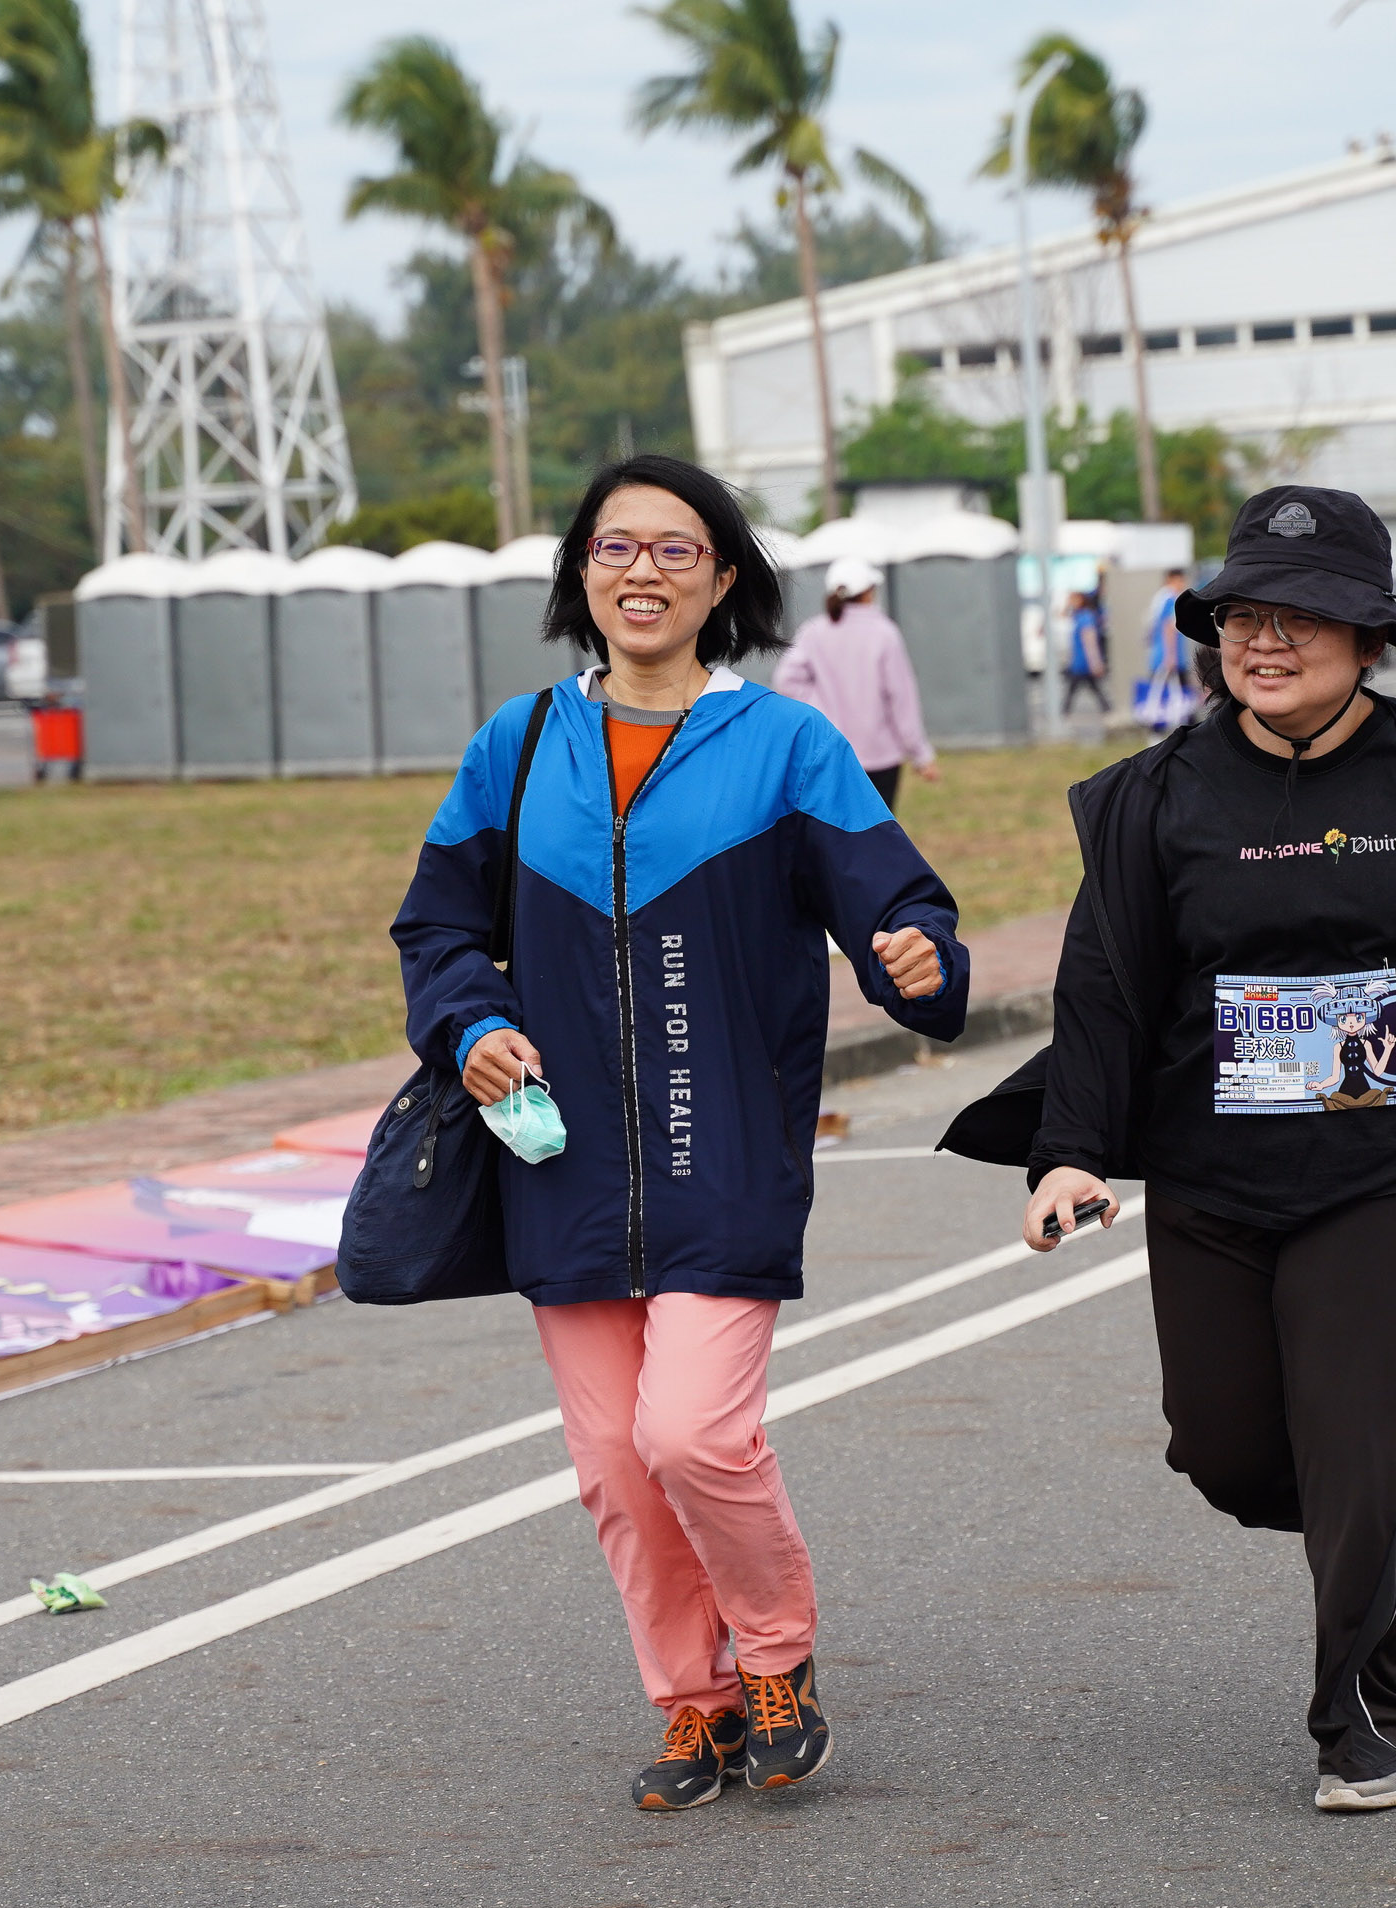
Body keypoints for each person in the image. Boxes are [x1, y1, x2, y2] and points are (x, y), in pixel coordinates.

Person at [989, 484, 1396, 1816]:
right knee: (1225, 1448)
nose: (1265, 641)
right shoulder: (1154, 796)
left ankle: (1365, 1712)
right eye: (1244, 615)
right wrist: (1069, 1154)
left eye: (1301, 617)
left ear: (1369, 635)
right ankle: (1381, 1492)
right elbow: (1102, 987)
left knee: (1355, 1439)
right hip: (1214, 1175)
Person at [391, 452, 969, 1813]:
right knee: (613, 1465)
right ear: (580, 575)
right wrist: (471, 1026)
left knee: (694, 1437)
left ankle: (773, 1657)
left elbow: (898, 899)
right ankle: (693, 1704)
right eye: (614, 546)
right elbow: (438, 929)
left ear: (723, 583)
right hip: (560, 1163)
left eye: (675, 549)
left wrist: (917, 956)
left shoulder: (786, 745)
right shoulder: (516, 745)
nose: (641, 570)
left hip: (728, 1152)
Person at [770, 554, 938, 809]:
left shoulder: (813, 631)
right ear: (869, 592)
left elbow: (785, 681)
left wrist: (820, 707)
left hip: (829, 753)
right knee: (878, 829)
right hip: (880, 757)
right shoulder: (885, 633)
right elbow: (901, 699)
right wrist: (920, 754)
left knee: (834, 829)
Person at [1135, 564, 1198, 731]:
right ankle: (1190, 731)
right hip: (1170, 657)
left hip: (1159, 657)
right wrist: (1170, 656)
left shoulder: (1159, 599)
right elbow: (1169, 628)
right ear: (1171, 579)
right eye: (1180, 580)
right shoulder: (1171, 599)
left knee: (1160, 695)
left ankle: (1160, 730)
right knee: (1181, 695)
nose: (1182, 584)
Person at [1060, 587, 1109, 714]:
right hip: (1078, 661)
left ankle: (1064, 711)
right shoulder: (1078, 616)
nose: (1071, 602)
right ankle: (1107, 708)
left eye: (1073, 599)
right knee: (1092, 688)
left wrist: (1095, 662)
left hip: (1084, 662)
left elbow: (1090, 641)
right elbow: (1061, 614)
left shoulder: (1085, 617)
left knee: (1077, 689)